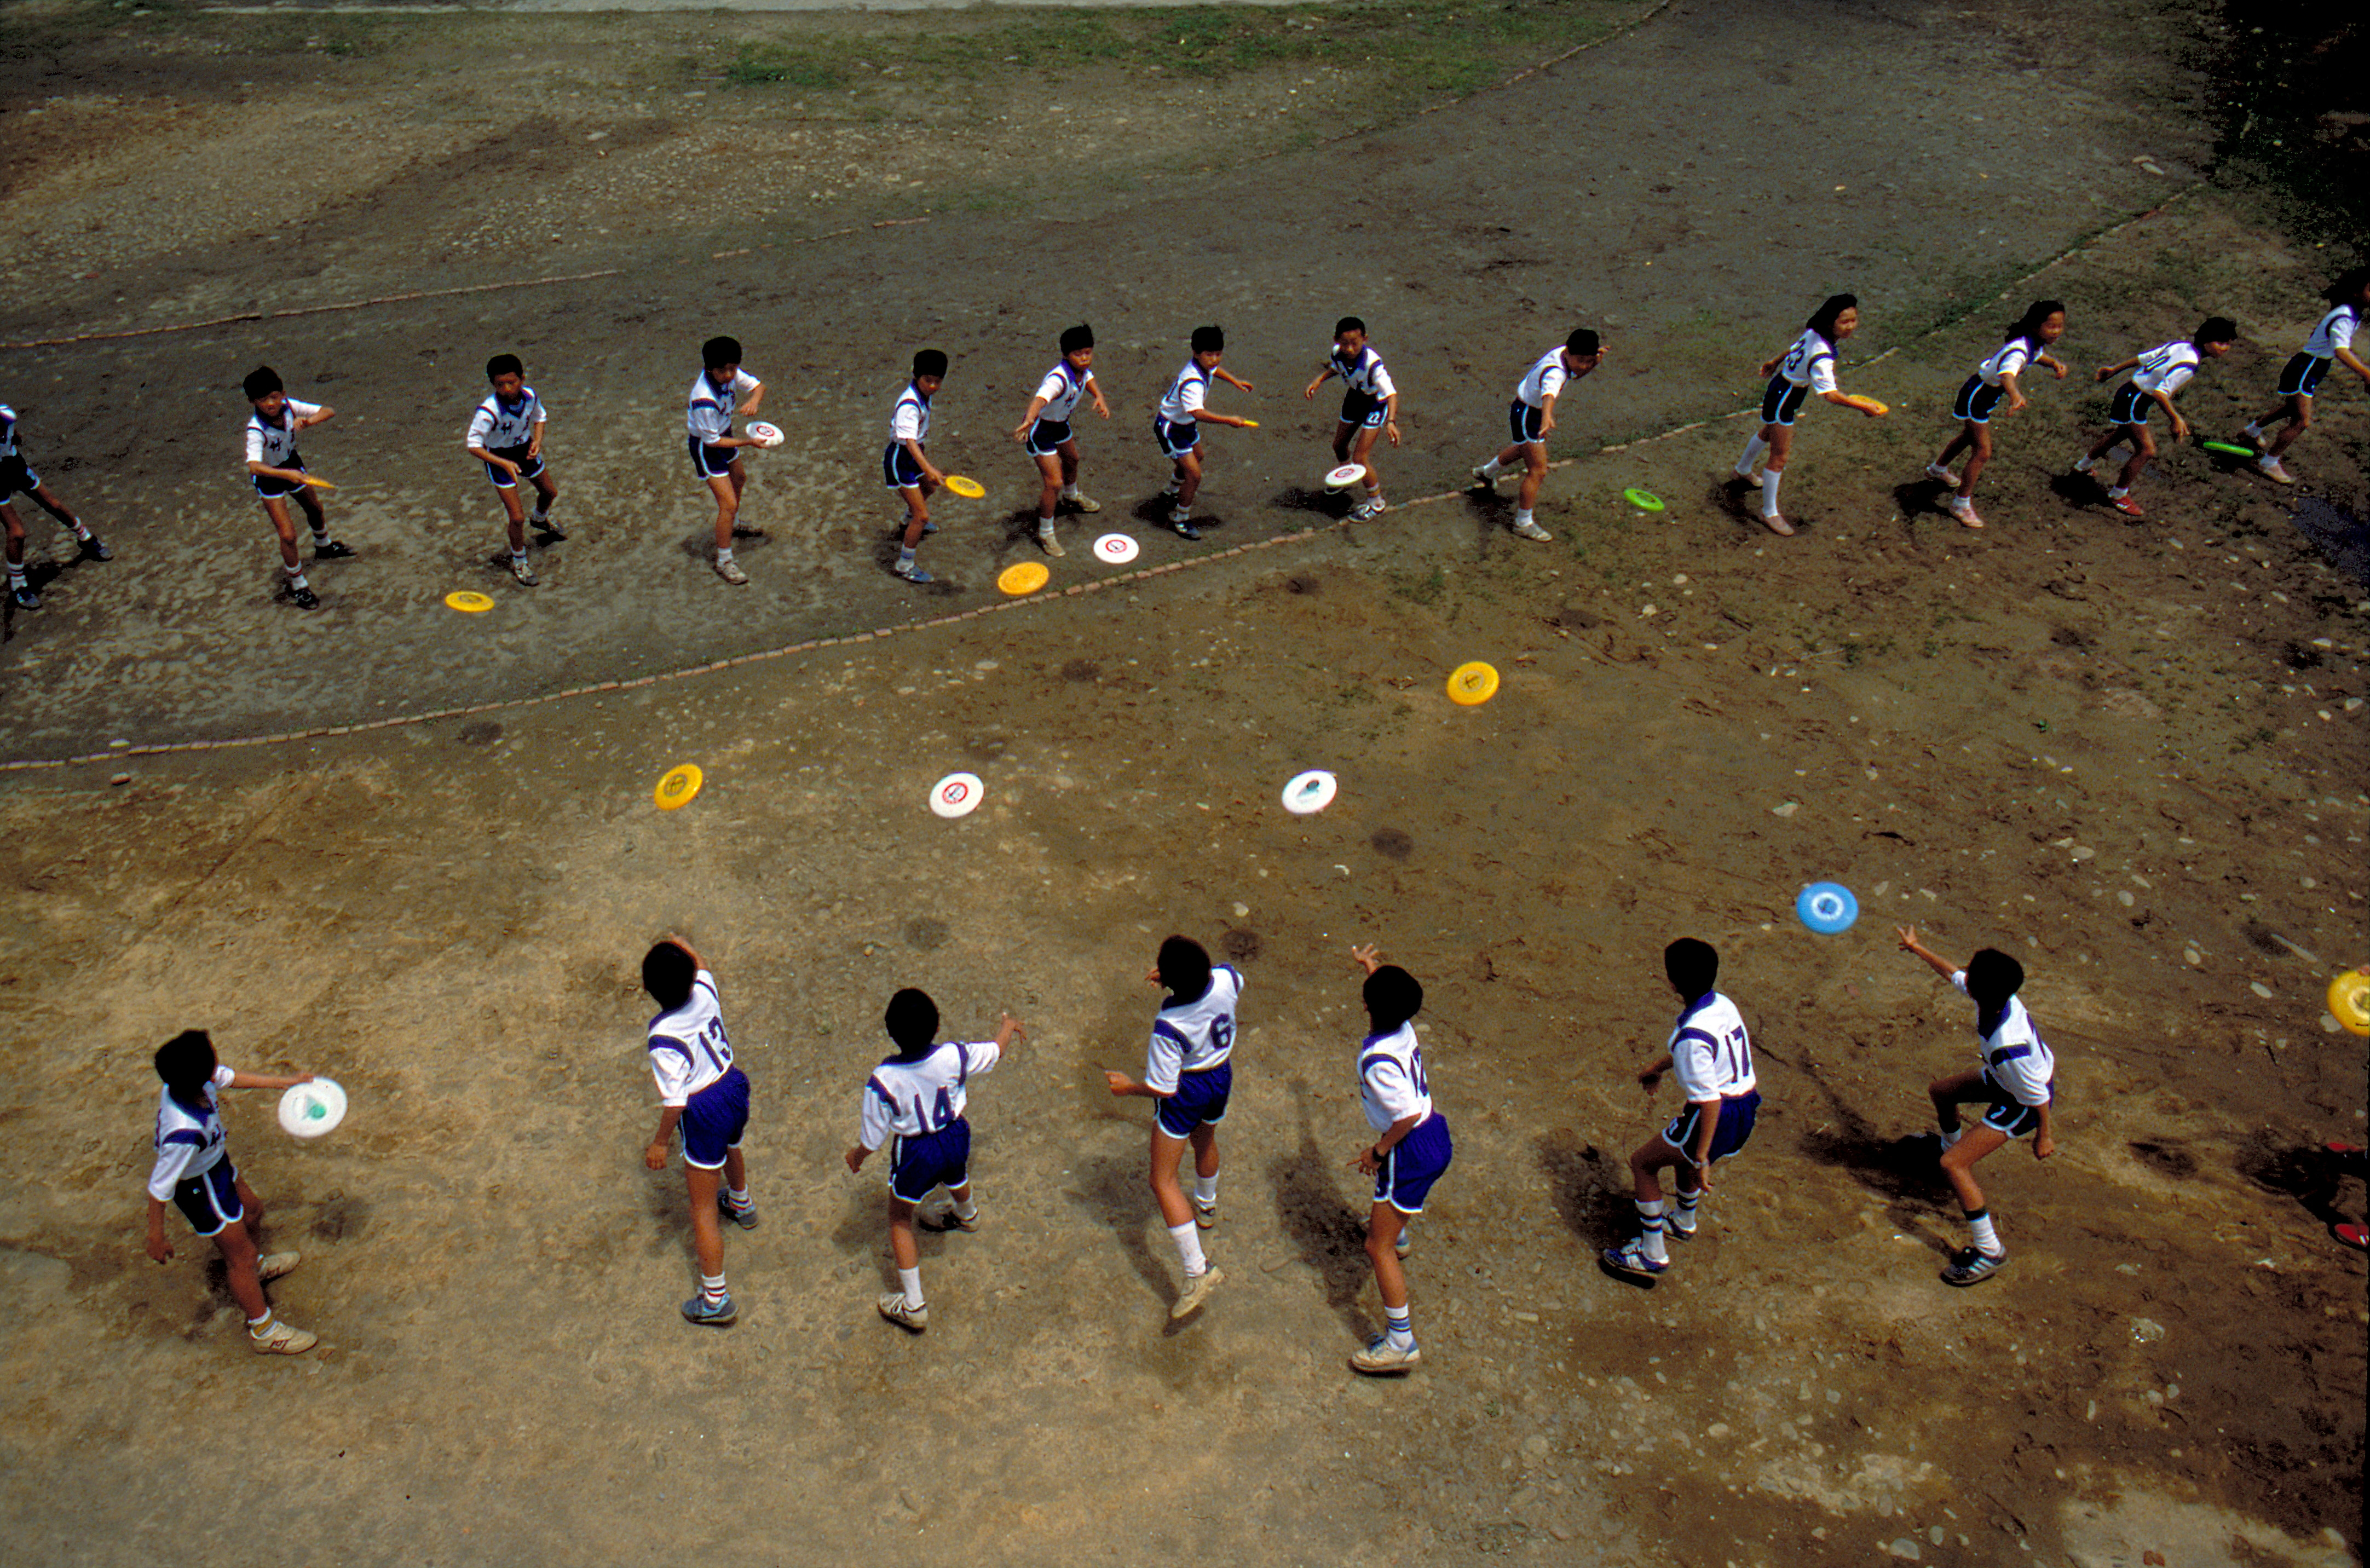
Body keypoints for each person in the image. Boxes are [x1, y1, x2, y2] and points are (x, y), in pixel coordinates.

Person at [846, 990, 1024, 1331]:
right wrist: (1008, 1026)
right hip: (955, 1134)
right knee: (956, 1173)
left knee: (900, 1218)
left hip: (916, 1151)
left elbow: (873, 1137)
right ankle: (967, 1214)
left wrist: (857, 1156)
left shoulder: (883, 1080)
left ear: (891, 1032)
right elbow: (995, 1050)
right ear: (937, 1025)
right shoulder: (953, 1055)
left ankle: (913, 1304)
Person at [142, 1029, 320, 1354]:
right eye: (213, 1057)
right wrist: (156, 1235)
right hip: (200, 1188)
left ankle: (254, 1267)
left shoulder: (191, 1083)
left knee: (253, 1211)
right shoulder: (184, 1133)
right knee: (241, 1258)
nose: (218, 1062)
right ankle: (264, 1330)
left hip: (216, 1165)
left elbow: (232, 1078)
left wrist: (285, 1083)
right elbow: (160, 1187)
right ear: (201, 1075)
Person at [1896, 926, 2056, 1286]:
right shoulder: (1997, 998)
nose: (1964, 975)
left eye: (1971, 974)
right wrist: (1917, 948)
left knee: (1954, 1165)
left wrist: (2043, 1136)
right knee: (1941, 1092)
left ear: (1979, 990)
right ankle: (1947, 1146)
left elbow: (2038, 1095)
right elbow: (1950, 973)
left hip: (2022, 1101)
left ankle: (1989, 1251)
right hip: (2007, 1081)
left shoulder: (2008, 1047)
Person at [1599, 938, 1760, 1285]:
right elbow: (1697, 1053)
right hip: (1746, 1105)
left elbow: (1709, 1100)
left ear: (1672, 983)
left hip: (1716, 1115)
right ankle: (1684, 1222)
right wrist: (1656, 1068)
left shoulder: (1691, 1037)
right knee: (1682, 1158)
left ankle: (1652, 1254)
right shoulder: (1722, 1004)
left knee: (1644, 1163)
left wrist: (1703, 1155)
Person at [1103, 935, 1241, 1320]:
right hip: (1220, 1075)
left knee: (1162, 1180)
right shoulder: (1228, 979)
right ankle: (1206, 1206)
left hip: (1187, 1090)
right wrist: (1174, 977)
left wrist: (1129, 1087)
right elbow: (1213, 979)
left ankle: (1198, 1271)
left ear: (1169, 980)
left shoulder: (1169, 1026)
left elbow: (1163, 1087)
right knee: (1205, 1141)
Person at [1344, 943, 1453, 1375]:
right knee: (1391, 1219)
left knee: (1377, 1247)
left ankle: (1400, 1343)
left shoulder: (1377, 1062)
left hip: (1411, 1147)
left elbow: (1404, 1116)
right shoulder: (1404, 1027)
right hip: (1435, 1134)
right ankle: (1398, 1232)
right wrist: (1371, 966)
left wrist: (1378, 1151)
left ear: (1366, 1006)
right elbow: (1387, 995)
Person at [640, 937, 756, 1328]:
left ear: (649, 988)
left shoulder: (663, 1036)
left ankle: (715, 1299)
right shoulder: (705, 991)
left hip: (704, 1108)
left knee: (702, 1208)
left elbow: (675, 1101)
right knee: (733, 1146)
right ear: (691, 977)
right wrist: (679, 941)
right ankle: (741, 1204)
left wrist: (660, 1142)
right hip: (733, 1086)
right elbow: (701, 961)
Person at [1729, 295, 1882, 537]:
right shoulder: (1822, 357)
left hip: (1783, 389)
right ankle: (1769, 513)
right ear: (1830, 322)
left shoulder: (1815, 333)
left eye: (1854, 320)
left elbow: (1794, 348)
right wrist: (1862, 407)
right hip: (1785, 397)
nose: (1851, 326)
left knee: (1768, 432)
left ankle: (1742, 469)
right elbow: (1830, 395)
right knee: (1780, 457)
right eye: (1844, 322)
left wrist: (1775, 362)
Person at [2073, 316, 2239, 518]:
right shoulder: (2190, 365)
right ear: (2206, 341)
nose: (2225, 348)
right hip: (2135, 402)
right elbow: (2160, 393)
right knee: (2146, 450)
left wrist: (2114, 370)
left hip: (2128, 392)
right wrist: (2175, 419)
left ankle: (2082, 467)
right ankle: (2118, 495)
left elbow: (2143, 358)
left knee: (2119, 435)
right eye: (2221, 343)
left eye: (2228, 344)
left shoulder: (2180, 346)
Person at [1924, 299, 2069, 529]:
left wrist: (2053, 363)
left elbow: (2036, 356)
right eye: (2051, 326)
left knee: (1968, 437)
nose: (2057, 331)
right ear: (2036, 326)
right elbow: (2007, 375)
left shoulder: (2032, 343)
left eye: (2060, 326)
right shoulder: (2019, 350)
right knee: (1983, 451)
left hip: (1985, 395)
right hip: (1978, 396)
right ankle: (1960, 504)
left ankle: (1937, 469)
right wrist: (2015, 395)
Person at [1470, 328, 1604, 541]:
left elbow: (1576, 373)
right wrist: (1546, 417)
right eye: (1581, 360)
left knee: (1524, 449)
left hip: (1525, 410)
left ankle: (1486, 472)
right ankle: (1523, 524)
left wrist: (1594, 361)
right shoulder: (1556, 373)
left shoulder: (1563, 353)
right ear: (1569, 353)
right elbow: (1549, 394)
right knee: (1538, 470)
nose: (1584, 366)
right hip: (1529, 415)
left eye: (1589, 361)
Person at [2241, 268, 2370, 486]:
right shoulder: (2345, 316)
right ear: (2356, 293)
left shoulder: (2351, 312)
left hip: (2311, 367)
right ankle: (2268, 462)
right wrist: (2366, 373)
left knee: (2291, 408)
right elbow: (2341, 351)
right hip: (2307, 368)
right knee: (2302, 421)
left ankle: (2251, 432)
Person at [242, 366, 354, 611]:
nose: (271, 404)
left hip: (291, 464)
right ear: (253, 402)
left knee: (315, 508)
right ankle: (298, 585)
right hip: (270, 477)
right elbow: (255, 467)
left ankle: (324, 546)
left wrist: (308, 422)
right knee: (288, 535)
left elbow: (328, 411)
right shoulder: (256, 430)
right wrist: (286, 474)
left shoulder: (290, 407)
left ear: (283, 394)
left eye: (274, 397)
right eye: (263, 400)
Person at [465, 353, 565, 587]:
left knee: (550, 492)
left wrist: (537, 440)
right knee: (517, 517)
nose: (507, 389)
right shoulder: (488, 412)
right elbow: (473, 445)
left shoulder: (530, 397)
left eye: (512, 382)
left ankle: (540, 518)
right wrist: (504, 463)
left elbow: (540, 417)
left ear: (522, 379)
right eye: (500, 384)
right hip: (499, 459)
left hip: (525, 452)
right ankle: (520, 561)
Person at [1, 402, 109, 611]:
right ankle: (18, 585)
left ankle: (87, 539)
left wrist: (11, 445)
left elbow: (16, 437)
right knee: (17, 533)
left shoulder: (7, 417)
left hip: (15, 467)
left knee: (53, 504)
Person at [1013, 324, 1110, 558]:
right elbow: (1040, 399)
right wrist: (1029, 419)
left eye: (1088, 352)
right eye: (1078, 354)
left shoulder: (1082, 371)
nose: (1084, 358)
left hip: (1060, 425)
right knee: (1053, 483)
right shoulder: (1058, 379)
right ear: (1066, 355)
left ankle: (1071, 497)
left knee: (1073, 459)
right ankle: (1046, 533)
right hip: (1041, 431)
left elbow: (1089, 378)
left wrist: (1099, 396)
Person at [1155, 325, 1255, 541]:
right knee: (1194, 475)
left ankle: (1171, 490)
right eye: (1210, 355)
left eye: (1219, 354)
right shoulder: (1193, 383)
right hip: (1172, 429)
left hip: (1185, 424)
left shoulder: (1204, 365)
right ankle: (1180, 519)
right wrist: (1229, 420)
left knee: (1198, 457)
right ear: (1196, 353)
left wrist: (1235, 381)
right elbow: (1198, 413)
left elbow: (1214, 370)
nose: (1215, 359)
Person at [686, 336, 768, 585]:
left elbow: (759, 387)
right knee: (728, 503)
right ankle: (724, 561)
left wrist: (753, 400)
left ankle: (734, 523)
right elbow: (712, 442)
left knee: (740, 478)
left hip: (725, 435)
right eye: (723, 370)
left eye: (733, 368)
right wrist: (748, 442)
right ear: (709, 368)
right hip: (708, 447)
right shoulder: (703, 400)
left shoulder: (729, 373)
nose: (730, 375)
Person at [1303, 316, 1400, 521]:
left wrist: (1391, 422)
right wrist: (1319, 379)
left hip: (1375, 404)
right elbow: (1337, 367)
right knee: (1339, 445)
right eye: (1344, 343)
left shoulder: (1373, 365)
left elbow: (1391, 394)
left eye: (1354, 343)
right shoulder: (1338, 353)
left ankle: (1376, 502)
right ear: (1336, 340)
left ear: (1365, 339)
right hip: (1355, 399)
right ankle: (1346, 476)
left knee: (1360, 458)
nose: (1349, 349)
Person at [884, 349, 950, 584]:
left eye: (937, 381)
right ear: (915, 375)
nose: (932, 386)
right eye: (928, 380)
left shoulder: (922, 394)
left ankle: (906, 520)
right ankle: (905, 565)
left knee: (929, 489)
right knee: (922, 517)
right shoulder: (909, 406)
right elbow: (909, 443)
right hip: (901, 460)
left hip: (913, 455)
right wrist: (929, 469)